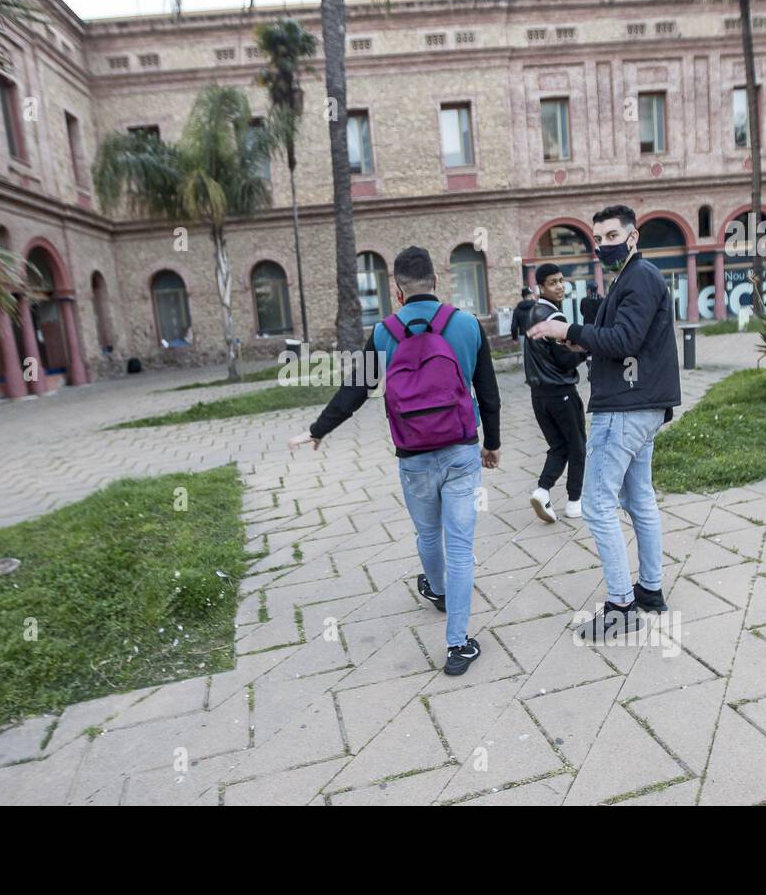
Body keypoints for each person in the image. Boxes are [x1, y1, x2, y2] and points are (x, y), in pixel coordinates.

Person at [290, 246, 500, 675]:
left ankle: (438, 592)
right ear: (436, 282)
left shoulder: (385, 331)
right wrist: (492, 444)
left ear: (397, 290)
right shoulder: (466, 324)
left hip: (413, 456)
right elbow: (488, 392)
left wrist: (318, 430)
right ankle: (458, 645)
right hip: (461, 449)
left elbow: (357, 388)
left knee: (427, 532)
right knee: (460, 546)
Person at [526, 205, 681, 641]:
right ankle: (649, 591)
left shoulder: (640, 278)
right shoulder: (633, 279)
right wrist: (580, 342)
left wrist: (567, 331)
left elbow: (625, 339)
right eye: (599, 238)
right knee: (640, 499)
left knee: (596, 505)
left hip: (625, 409)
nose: (604, 245)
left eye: (612, 235)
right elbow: (622, 343)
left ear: (633, 237)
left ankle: (621, 606)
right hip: (642, 404)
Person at [524, 263, 588, 525]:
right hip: (561, 392)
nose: (560, 286)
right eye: (553, 282)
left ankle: (542, 490)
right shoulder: (555, 318)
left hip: (539, 396)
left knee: (559, 446)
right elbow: (564, 359)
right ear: (540, 286)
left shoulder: (531, 313)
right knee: (578, 447)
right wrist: (587, 350)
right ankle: (575, 502)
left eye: (562, 280)